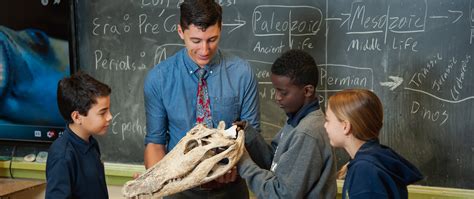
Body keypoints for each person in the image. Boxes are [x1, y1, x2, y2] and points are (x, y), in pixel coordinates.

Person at [143, 0, 260, 198]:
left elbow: (252, 136)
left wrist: (232, 165)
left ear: (221, 29)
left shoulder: (242, 73)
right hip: (179, 190)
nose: (204, 50)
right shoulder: (159, 78)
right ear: (181, 32)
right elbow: (155, 143)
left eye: (212, 39)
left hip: (230, 189)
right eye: (196, 41)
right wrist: (157, 182)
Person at [236, 49, 337, 198]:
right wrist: (248, 135)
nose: (277, 97)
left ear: (307, 91)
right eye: (276, 90)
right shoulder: (295, 122)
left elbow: (282, 194)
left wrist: (242, 161)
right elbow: (275, 164)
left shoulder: (307, 133)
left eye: (283, 92)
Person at [324, 89, 423, 199]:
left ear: (345, 127)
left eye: (327, 120)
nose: (325, 126)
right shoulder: (372, 161)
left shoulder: (365, 171)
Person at [45, 72, 112, 199]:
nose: (110, 117)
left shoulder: (92, 143)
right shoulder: (62, 156)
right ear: (77, 117)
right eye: (102, 113)